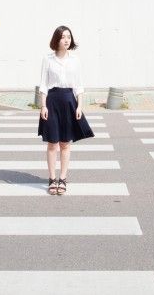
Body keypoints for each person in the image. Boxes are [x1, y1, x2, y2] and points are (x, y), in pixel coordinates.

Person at [38, 25, 95, 195]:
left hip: (69, 100)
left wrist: (79, 106)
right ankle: (51, 178)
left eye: (68, 37)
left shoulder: (75, 60)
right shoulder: (48, 59)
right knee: (52, 143)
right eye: (63, 37)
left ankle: (62, 178)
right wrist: (43, 105)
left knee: (65, 143)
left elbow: (78, 86)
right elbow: (43, 84)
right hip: (52, 101)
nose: (66, 40)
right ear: (56, 39)